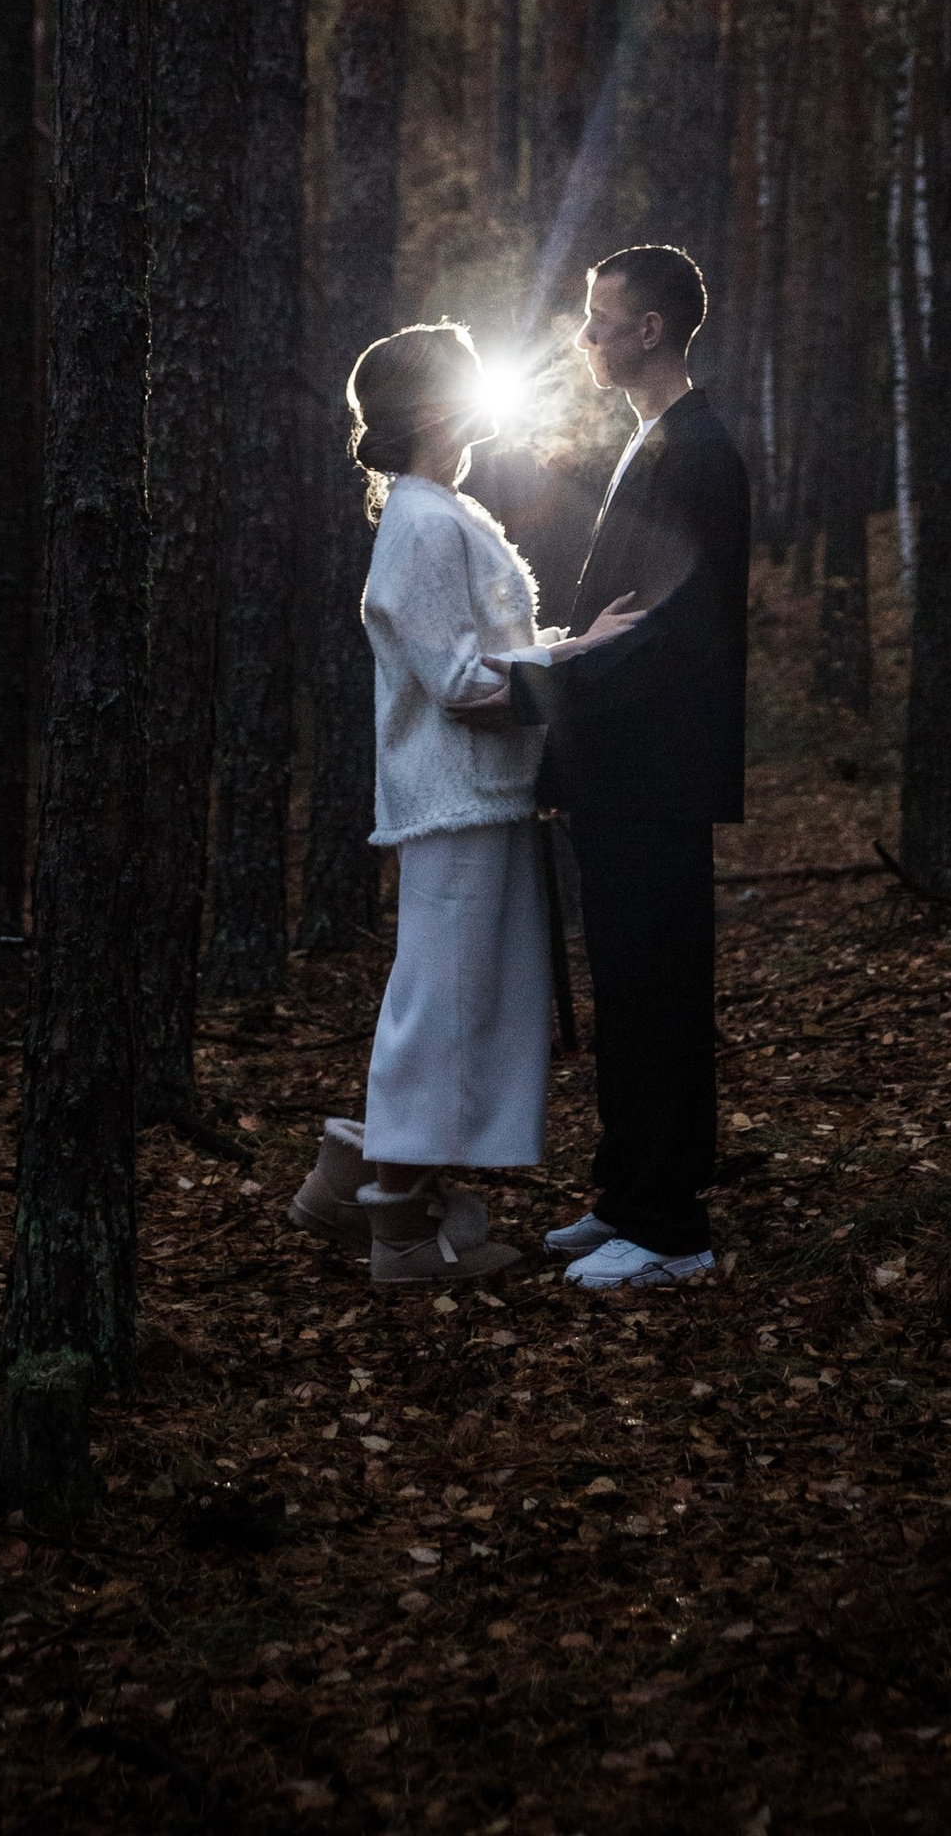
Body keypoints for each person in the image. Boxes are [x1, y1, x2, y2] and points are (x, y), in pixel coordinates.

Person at [285, 318, 637, 1288]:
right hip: (455, 802)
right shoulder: (423, 521)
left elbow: (479, 657)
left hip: (480, 799)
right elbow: (462, 685)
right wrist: (581, 653)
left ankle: (351, 1182)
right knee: (442, 1008)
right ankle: (396, 1227)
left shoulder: (441, 510)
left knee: (459, 1003)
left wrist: (568, 648)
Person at [480, 244, 749, 1293]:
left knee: (658, 992)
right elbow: (623, 616)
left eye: (599, 321)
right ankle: (623, 1198)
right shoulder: (655, 441)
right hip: (622, 769)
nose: (583, 339)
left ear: (649, 331)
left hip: (657, 772)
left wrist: (542, 683)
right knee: (628, 995)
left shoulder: (698, 449)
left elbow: (681, 631)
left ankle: (672, 1230)